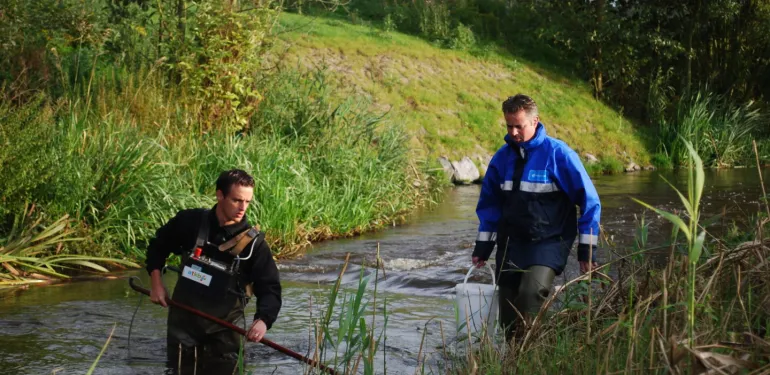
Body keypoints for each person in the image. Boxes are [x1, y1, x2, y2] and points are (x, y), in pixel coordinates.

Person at [471, 94, 601, 341]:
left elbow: (590, 201)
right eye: (509, 126)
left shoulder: (559, 154)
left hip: (549, 241)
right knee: (508, 315)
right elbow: (490, 204)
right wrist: (483, 246)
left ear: (535, 121)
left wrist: (587, 250)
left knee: (531, 295)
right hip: (511, 244)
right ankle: (517, 359)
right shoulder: (501, 158)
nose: (513, 132)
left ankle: (532, 354)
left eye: (519, 126)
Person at [145, 169, 282, 374]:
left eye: (247, 202)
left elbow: (270, 288)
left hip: (225, 335)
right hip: (182, 327)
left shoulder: (254, 246)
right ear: (220, 195)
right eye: (237, 200)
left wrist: (263, 320)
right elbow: (158, 247)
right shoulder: (189, 222)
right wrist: (156, 284)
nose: (242, 208)